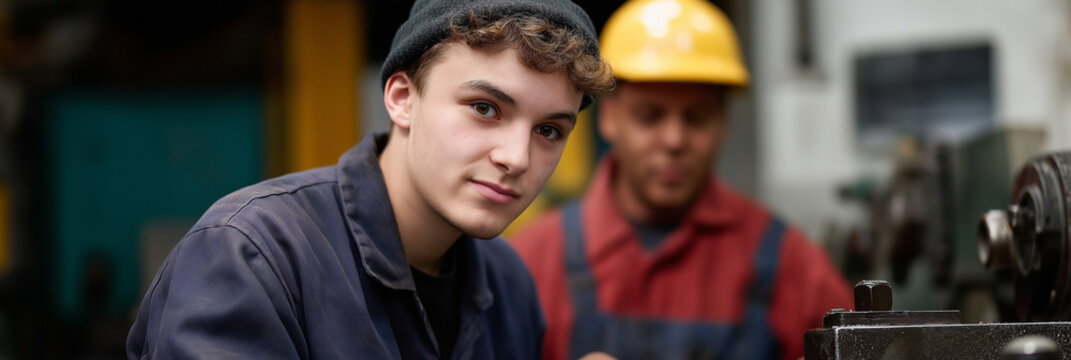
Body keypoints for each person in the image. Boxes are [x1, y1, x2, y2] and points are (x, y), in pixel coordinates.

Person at [126, 0, 614, 358]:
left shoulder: (508, 285)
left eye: (549, 130)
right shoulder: (254, 256)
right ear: (402, 98)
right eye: (485, 108)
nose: (517, 157)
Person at [510, 0, 852, 359]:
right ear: (608, 117)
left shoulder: (789, 262)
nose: (674, 140)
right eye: (650, 116)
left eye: (697, 118)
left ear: (725, 124)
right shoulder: (532, 262)